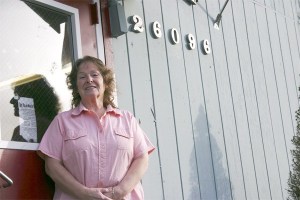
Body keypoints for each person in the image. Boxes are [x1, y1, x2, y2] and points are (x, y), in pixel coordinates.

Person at [38, 56, 155, 200]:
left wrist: (119, 191)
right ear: (76, 86)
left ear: (105, 82)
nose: (89, 80)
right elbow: (51, 166)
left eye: (95, 74)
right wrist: (84, 193)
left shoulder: (127, 119)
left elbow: (142, 158)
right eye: (82, 77)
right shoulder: (62, 121)